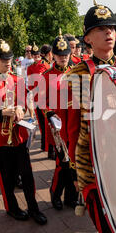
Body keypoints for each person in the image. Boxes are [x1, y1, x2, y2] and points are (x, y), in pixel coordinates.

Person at [64, 0, 116, 233]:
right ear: (87, 39)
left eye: (111, 27)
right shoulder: (78, 74)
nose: (108, 32)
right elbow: (74, 124)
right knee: (106, 223)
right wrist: (76, 166)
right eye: (100, 29)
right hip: (96, 156)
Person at [0, 35, 47, 225]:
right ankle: (12, 208)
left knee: (27, 175)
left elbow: (24, 102)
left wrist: (20, 109)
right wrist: (1, 113)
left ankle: (34, 208)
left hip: (19, 137)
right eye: (3, 59)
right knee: (6, 178)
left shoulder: (18, 80)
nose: (8, 63)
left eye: (9, 59)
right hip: (0, 139)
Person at [41, 31, 77, 210]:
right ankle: (55, 194)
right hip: (57, 127)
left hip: (75, 124)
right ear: (53, 55)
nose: (63, 58)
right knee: (62, 164)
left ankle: (71, 197)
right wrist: (49, 114)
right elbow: (41, 102)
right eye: (59, 55)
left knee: (73, 162)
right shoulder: (46, 75)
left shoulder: (78, 71)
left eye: (66, 55)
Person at [27, 43, 51, 155]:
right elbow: (30, 83)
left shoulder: (45, 64)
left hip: (47, 97)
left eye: (37, 55)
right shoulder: (30, 67)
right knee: (41, 122)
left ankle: (49, 146)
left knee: (48, 122)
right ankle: (44, 144)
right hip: (37, 96)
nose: (36, 57)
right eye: (34, 55)